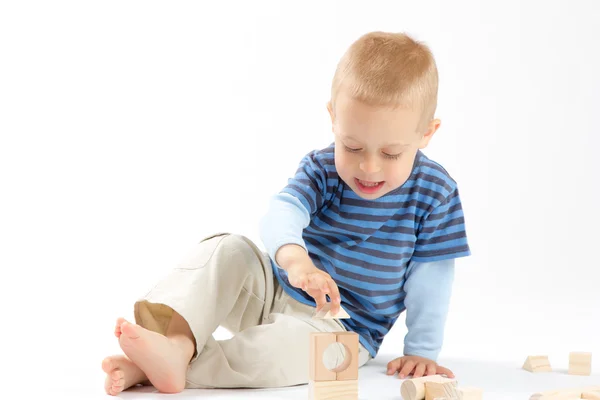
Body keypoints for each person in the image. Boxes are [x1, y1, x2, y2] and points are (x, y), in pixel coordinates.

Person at [102, 30, 471, 396]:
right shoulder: (323, 168)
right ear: (333, 118)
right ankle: (177, 343)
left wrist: (422, 351)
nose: (369, 168)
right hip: (278, 286)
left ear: (427, 133)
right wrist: (296, 262)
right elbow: (282, 212)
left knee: (276, 353)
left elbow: (432, 279)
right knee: (226, 249)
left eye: (391, 154)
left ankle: (163, 367)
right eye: (352, 146)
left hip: (346, 328)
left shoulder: (436, 193)